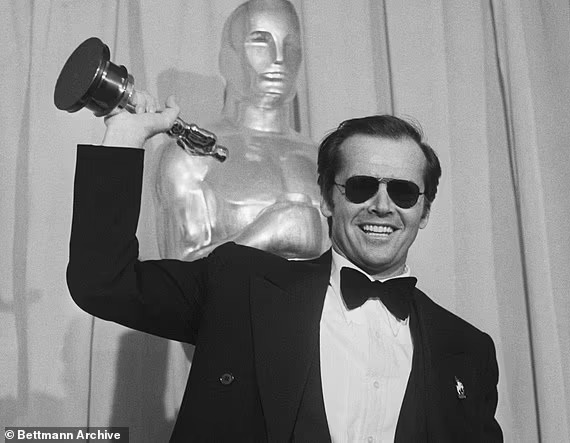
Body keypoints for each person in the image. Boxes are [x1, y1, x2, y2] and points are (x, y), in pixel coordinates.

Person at [67, 93, 503, 441]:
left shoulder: (468, 351)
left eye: (404, 192)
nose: (382, 206)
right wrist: (125, 135)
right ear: (326, 199)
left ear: (424, 211)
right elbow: (104, 283)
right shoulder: (240, 287)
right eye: (361, 187)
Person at [155, 0, 328, 261]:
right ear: (227, 58)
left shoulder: (324, 159)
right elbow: (180, 272)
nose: (279, 58)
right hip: (235, 289)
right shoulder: (190, 156)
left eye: (290, 45)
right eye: (260, 42)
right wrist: (267, 234)